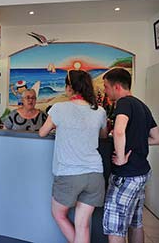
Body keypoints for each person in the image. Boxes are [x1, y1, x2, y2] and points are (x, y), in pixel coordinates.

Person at [39, 70, 108, 243]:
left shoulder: (59, 108)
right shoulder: (99, 111)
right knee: (83, 225)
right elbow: (104, 135)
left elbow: (42, 132)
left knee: (58, 214)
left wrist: (61, 127)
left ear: (69, 87)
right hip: (95, 174)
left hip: (69, 173)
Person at [102, 68, 159, 243]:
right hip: (141, 173)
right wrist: (135, 144)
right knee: (136, 222)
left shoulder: (124, 103)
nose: (105, 90)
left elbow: (119, 130)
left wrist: (120, 157)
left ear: (117, 87)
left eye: (106, 87)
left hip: (126, 175)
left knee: (115, 227)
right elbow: (157, 138)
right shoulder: (143, 106)